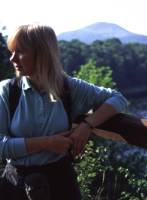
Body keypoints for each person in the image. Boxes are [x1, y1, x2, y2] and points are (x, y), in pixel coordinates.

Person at [0, 24, 128, 200]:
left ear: (42, 53)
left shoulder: (68, 87)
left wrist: (87, 125)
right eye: (11, 51)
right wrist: (47, 143)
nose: (12, 59)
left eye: (20, 52)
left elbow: (118, 99)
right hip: (16, 186)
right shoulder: (7, 91)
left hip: (60, 182)